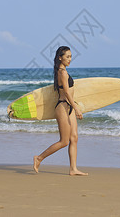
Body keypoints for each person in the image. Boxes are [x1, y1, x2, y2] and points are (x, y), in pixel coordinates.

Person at [33, 46, 88, 176]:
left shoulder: (63, 71)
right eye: (67, 56)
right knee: (64, 141)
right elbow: (67, 93)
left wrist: (73, 107)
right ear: (60, 57)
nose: (70, 59)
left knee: (74, 138)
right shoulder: (62, 72)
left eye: (70, 56)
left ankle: (73, 169)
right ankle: (39, 158)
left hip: (69, 108)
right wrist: (76, 108)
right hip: (63, 107)